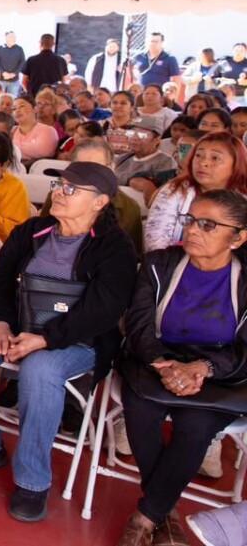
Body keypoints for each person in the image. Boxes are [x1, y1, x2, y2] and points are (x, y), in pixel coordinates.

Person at [0, 162, 136, 523]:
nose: (59, 193)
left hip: (77, 336)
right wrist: (0, 322)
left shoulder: (115, 248)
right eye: (59, 185)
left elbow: (102, 311)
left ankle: (33, 480)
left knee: (40, 372)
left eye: (72, 190)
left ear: (99, 202)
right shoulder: (33, 230)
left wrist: (45, 339)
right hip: (17, 319)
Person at [116, 191, 247, 546]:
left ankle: (147, 516)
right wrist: (164, 365)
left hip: (221, 371)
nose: (192, 229)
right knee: (141, 409)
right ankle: (164, 513)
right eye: (189, 220)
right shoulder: (160, 264)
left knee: (196, 423)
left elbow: (245, 349)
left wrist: (203, 368)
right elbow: (139, 326)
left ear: (238, 237)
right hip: (154, 359)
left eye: (208, 225)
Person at [145, 131, 247, 252]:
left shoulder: (243, 199)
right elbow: (155, 241)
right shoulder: (175, 189)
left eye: (215, 158)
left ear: (236, 164)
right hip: (173, 264)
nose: (203, 163)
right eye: (198, 156)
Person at [114, 114, 177, 194]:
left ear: (157, 139)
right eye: (131, 133)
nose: (134, 138)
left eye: (142, 135)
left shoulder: (166, 162)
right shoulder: (122, 158)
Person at [11, 97, 59, 166]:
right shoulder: (11, 131)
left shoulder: (48, 130)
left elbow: (42, 151)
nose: (17, 110)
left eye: (22, 106)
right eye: (14, 109)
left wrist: (13, 148)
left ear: (35, 109)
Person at [0, 32, 26, 97]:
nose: (14, 38)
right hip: (2, 80)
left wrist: (14, 73)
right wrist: (3, 72)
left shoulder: (19, 49)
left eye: (14, 37)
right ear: (6, 38)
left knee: (13, 99)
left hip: (14, 81)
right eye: (11, 37)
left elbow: (22, 62)